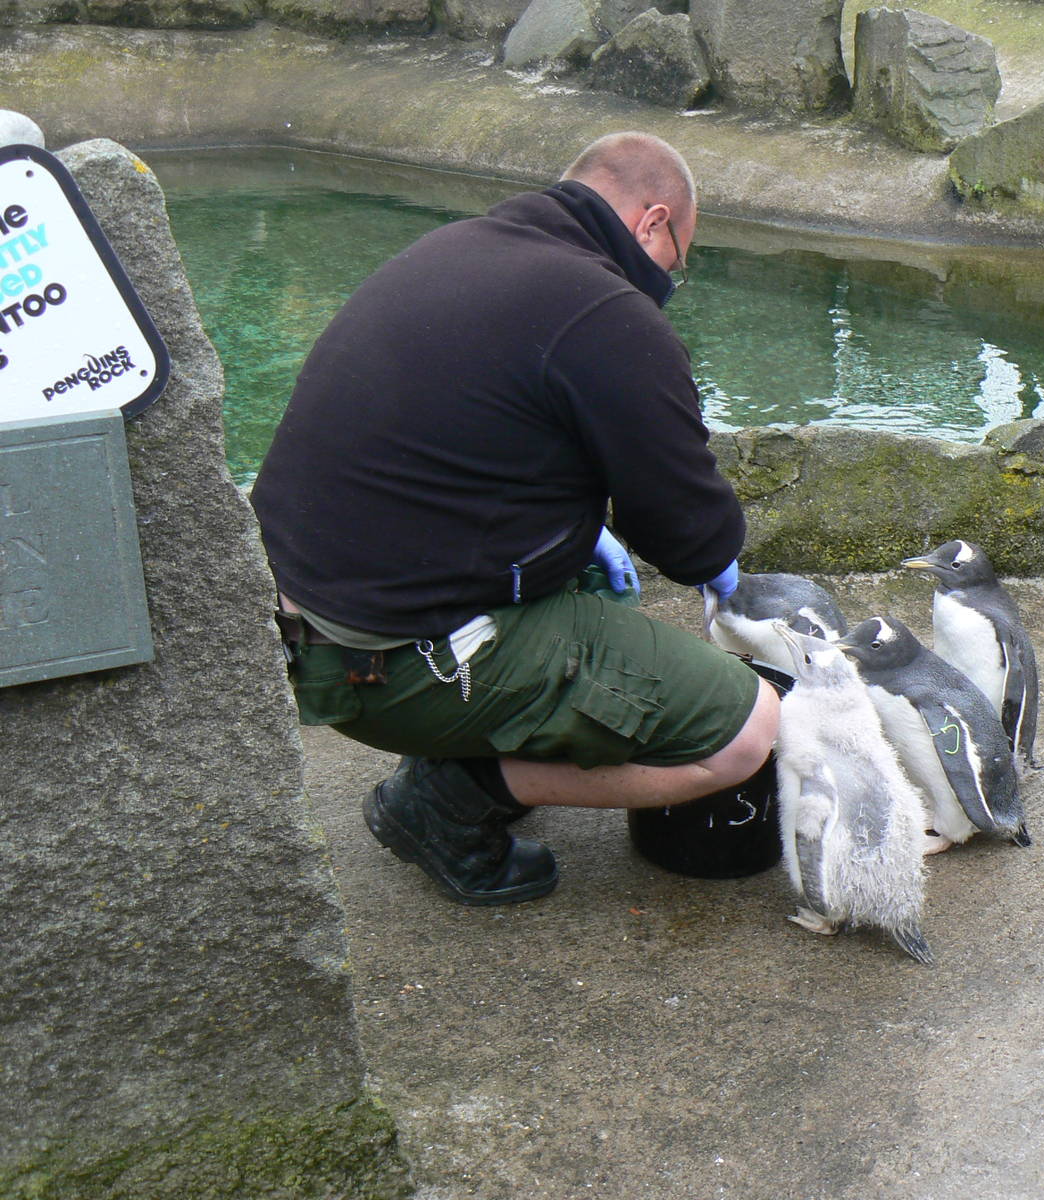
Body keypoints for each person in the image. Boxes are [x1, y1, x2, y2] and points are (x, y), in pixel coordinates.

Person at [249, 132, 781, 907]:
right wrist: (709, 552)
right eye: (677, 260)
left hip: (294, 623)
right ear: (651, 222)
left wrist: (574, 531)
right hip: (384, 664)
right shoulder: (609, 313)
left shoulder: (455, 247)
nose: (669, 281)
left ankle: (462, 745)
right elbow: (690, 536)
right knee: (746, 732)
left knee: (601, 602)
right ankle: (446, 799)